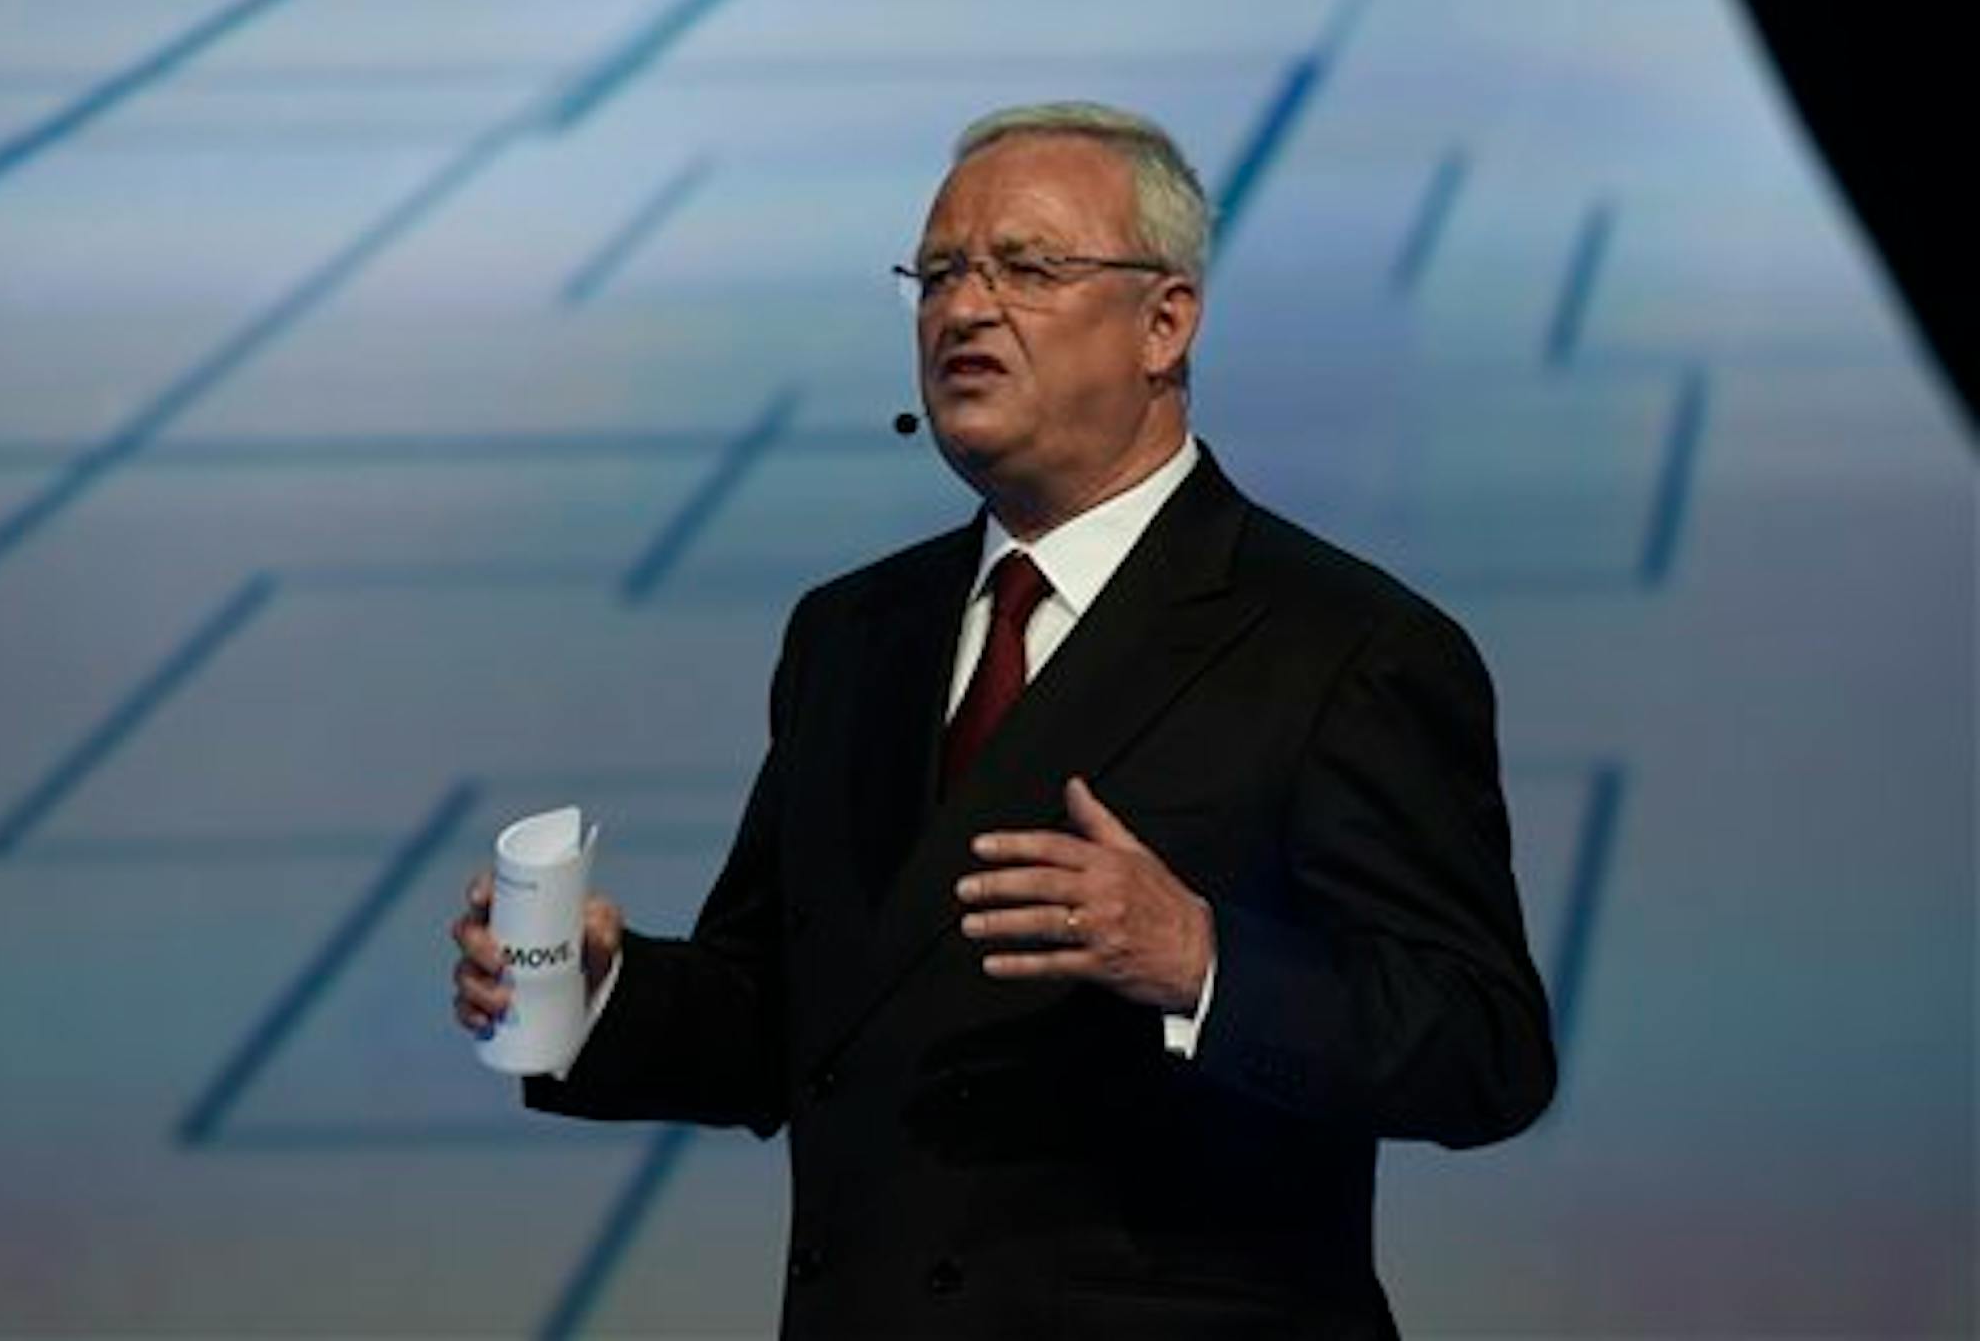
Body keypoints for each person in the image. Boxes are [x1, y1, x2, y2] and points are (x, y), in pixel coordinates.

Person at [452, 103, 1556, 1338]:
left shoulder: (1341, 643)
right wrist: (603, 988)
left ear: (1166, 322)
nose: (964, 308)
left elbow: (1482, 1045)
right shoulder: (851, 636)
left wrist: (1203, 959)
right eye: (937, 273)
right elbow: (792, 1017)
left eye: (1027, 267)